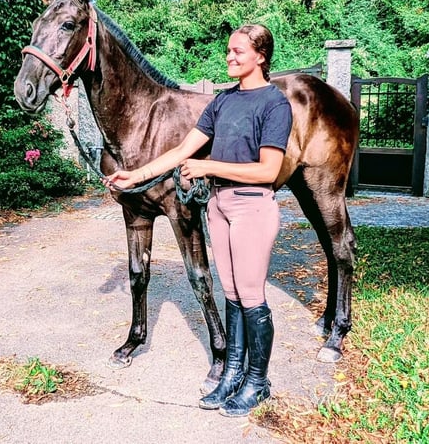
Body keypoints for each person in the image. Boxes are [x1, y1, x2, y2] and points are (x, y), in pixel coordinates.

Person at [104, 24, 293, 417]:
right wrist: (133, 176)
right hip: (220, 206)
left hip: (252, 205)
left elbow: (269, 170)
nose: (230, 57)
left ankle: (257, 383)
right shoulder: (222, 103)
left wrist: (207, 165)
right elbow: (180, 151)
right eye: (228, 50)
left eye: (238, 51)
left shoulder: (275, 104)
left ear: (261, 56)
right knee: (233, 294)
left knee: (253, 296)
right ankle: (232, 373)